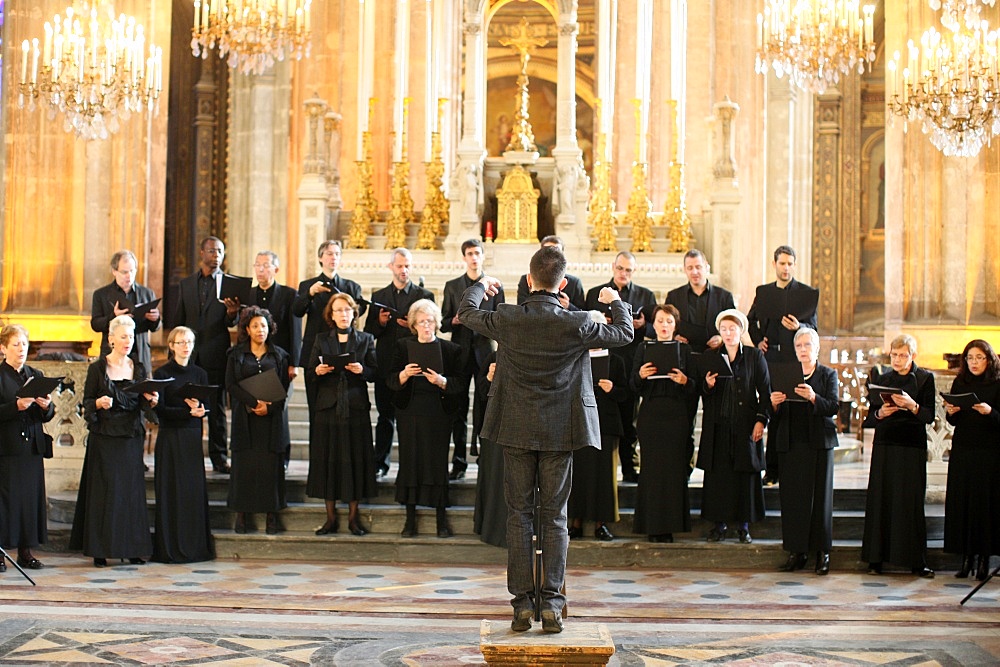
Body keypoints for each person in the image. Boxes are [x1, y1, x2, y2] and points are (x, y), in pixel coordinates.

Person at [458, 245, 633, 634]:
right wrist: (615, 299)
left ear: (528, 280)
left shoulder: (507, 317)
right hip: (560, 431)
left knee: (519, 515)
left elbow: (465, 314)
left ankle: (522, 606)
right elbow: (624, 332)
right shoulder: (578, 322)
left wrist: (481, 286)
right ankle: (552, 603)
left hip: (515, 428)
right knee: (554, 516)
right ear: (563, 283)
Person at [70, 315, 158, 567]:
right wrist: (97, 403)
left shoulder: (138, 368)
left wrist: (152, 401)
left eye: (131, 337)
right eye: (123, 337)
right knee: (104, 493)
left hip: (129, 436)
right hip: (105, 437)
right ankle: (100, 549)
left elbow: (144, 405)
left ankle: (131, 548)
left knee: (130, 493)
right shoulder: (97, 368)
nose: (128, 341)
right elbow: (85, 403)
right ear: (111, 340)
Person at [387, 299, 465, 538]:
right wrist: (403, 375)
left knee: (437, 462)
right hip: (410, 411)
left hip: (438, 413)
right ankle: (410, 520)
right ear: (413, 325)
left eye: (430, 321)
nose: (426, 326)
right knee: (411, 462)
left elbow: (460, 384)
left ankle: (441, 519)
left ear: (437, 323)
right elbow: (389, 380)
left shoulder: (451, 350)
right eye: (421, 322)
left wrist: (441, 381)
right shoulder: (402, 347)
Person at [861, 334, 936, 578]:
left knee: (910, 502)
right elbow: (869, 419)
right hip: (885, 445)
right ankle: (875, 560)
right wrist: (881, 412)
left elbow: (928, 416)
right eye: (894, 354)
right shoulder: (882, 378)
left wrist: (912, 406)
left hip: (911, 446)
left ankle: (915, 561)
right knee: (881, 500)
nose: (897, 359)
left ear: (913, 356)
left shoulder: (925, 379)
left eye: (903, 355)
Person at [769, 328, 839, 575]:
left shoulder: (828, 374)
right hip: (792, 442)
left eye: (807, 345)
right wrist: (774, 404)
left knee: (820, 500)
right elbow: (775, 412)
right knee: (793, 500)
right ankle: (797, 552)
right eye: (798, 346)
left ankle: (822, 553)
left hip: (818, 442)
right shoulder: (785, 373)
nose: (802, 349)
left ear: (817, 348)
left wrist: (813, 398)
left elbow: (833, 407)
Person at [747, 245, 819, 487]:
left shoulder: (805, 294)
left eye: (790, 264)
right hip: (771, 359)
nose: (786, 268)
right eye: (782, 263)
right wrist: (758, 340)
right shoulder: (765, 292)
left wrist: (799, 327)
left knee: (791, 410)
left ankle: (792, 465)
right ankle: (772, 469)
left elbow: (814, 329)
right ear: (774, 264)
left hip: (795, 359)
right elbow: (750, 320)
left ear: (795, 266)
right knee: (772, 409)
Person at [697, 309, 770, 545]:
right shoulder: (710, 356)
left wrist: (761, 420)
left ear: (741, 330)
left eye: (733, 328)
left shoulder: (754, 356)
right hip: (719, 425)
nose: (728, 333)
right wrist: (707, 385)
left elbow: (765, 392)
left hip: (744, 425)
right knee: (719, 478)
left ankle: (744, 526)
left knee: (744, 477)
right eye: (724, 329)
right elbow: (701, 392)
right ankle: (719, 525)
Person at [307, 293, 378, 536]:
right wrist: (318, 369)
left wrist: (362, 369)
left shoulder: (365, 339)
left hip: (355, 406)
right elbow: (310, 372)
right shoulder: (320, 339)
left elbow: (375, 372)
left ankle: (353, 518)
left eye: (347, 310)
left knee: (354, 460)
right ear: (331, 315)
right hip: (328, 406)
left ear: (354, 313)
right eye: (338, 310)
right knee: (329, 461)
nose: (343, 314)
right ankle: (330, 519)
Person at [585, 251, 656, 484]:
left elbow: (654, 331)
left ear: (634, 271)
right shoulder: (595, 293)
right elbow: (585, 325)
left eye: (628, 270)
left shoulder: (646, 295)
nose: (623, 273)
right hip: (602, 360)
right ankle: (595, 466)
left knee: (629, 416)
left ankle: (629, 465)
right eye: (620, 268)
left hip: (631, 361)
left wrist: (642, 325)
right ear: (613, 267)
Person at [363, 248, 434, 478]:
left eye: (407, 266)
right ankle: (380, 463)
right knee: (385, 417)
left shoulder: (424, 296)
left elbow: (433, 329)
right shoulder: (379, 297)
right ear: (391, 267)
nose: (404, 270)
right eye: (400, 266)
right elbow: (368, 332)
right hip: (385, 366)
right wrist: (381, 323)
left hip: (413, 365)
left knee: (411, 419)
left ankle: (411, 466)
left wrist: (411, 327)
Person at [630, 304, 697, 543]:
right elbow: (633, 385)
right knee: (651, 471)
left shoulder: (685, 351)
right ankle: (651, 526)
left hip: (676, 415)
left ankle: (669, 526)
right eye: (660, 321)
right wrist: (641, 375)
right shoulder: (643, 348)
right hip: (651, 415)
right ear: (653, 324)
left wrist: (685, 380)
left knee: (673, 471)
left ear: (675, 325)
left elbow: (694, 388)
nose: (664, 326)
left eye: (669, 321)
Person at [173, 236, 240, 474]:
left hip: (215, 352)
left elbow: (231, 321)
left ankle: (219, 457)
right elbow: (180, 320)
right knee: (187, 405)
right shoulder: (187, 284)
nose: (217, 255)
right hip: (188, 355)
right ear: (202, 253)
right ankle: (187, 455)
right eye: (212, 251)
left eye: (220, 251)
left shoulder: (229, 283)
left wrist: (233, 313)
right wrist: (177, 353)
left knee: (216, 408)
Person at [440, 238, 505, 479]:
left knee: (486, 406)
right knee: (458, 407)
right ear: (464, 257)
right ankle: (459, 462)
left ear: (483, 255)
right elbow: (444, 322)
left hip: (485, 353)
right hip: (459, 352)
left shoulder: (495, 285)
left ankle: (485, 459)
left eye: (477, 253)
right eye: (470, 253)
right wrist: (455, 320)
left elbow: (501, 322)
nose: (474, 257)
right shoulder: (452, 286)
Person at [226, 306, 291, 535]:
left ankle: (272, 515)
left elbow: (284, 387)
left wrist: (270, 406)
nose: (260, 329)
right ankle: (242, 516)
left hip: (271, 419)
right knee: (244, 466)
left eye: (263, 325)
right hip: (246, 417)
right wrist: (254, 403)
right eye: (255, 326)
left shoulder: (280, 355)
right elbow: (231, 385)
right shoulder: (235, 355)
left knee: (269, 467)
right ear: (247, 329)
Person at [152, 326, 215, 564]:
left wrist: (201, 410)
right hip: (170, 437)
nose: (185, 346)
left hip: (191, 439)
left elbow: (207, 405)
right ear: (171, 346)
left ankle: (195, 548)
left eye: (189, 341)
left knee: (191, 492)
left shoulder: (199, 373)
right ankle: (170, 548)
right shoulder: (162, 374)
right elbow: (160, 410)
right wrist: (188, 412)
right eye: (180, 342)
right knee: (171, 491)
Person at [293, 240, 364, 442]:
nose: (334, 257)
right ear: (320, 258)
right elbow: (297, 311)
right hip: (316, 354)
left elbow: (358, 315)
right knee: (316, 409)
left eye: (337, 254)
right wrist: (310, 293)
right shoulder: (308, 286)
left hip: (344, 351)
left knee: (342, 410)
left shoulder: (351, 287)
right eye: (329, 253)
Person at [943, 339, 1000, 581]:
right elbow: (952, 422)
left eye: (979, 358)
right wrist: (951, 412)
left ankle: (985, 559)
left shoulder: (998, 383)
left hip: (989, 452)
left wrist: (991, 412)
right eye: (970, 358)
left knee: (984, 505)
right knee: (963, 502)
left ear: (989, 360)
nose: (974, 363)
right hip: (963, 450)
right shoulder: (960, 382)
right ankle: (966, 559)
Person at [568, 311, 627, 542]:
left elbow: (627, 395)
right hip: (579, 422)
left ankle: (601, 523)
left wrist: (613, 389)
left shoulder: (616, 361)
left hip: (606, 424)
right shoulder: (574, 357)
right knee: (578, 475)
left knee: (604, 476)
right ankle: (576, 522)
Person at [0, 324, 55, 571]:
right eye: (16, 344)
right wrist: (15, 407)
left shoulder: (36, 374)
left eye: (24, 344)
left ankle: (26, 552)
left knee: (29, 501)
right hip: (7, 448)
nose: (21, 349)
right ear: (3, 348)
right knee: (5, 501)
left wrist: (46, 406)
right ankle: (0, 554)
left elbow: (47, 416)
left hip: (32, 448)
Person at [91, 250, 162, 375]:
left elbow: (154, 328)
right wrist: (114, 317)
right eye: (124, 272)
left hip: (140, 355)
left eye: (132, 271)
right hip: (112, 357)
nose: (129, 276)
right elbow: (95, 324)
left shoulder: (147, 293)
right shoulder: (101, 294)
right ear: (114, 271)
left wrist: (155, 319)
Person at [664, 249, 735, 352]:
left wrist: (721, 338)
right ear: (685, 269)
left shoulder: (724, 297)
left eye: (698, 267)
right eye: (690, 268)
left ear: (706, 267)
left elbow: (733, 325)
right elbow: (666, 324)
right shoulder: (673, 296)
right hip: (683, 354)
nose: (694, 272)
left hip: (715, 353)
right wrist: (674, 337)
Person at [247, 250, 302, 378]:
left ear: (276, 270)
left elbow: (295, 331)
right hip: (252, 359)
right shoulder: (249, 294)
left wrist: (294, 364)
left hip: (280, 357)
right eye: (257, 265)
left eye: (265, 266)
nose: (260, 270)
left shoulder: (289, 295)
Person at [473, 350, 506, 548]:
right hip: (496, 427)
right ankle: (491, 528)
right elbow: (481, 392)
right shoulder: (494, 357)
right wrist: (489, 377)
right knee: (494, 478)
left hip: (524, 427)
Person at [515, 236, 585, 310]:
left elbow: (583, 312)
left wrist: (568, 306)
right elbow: (521, 308)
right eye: (547, 251)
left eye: (556, 251)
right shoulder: (525, 279)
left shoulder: (574, 283)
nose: (551, 256)